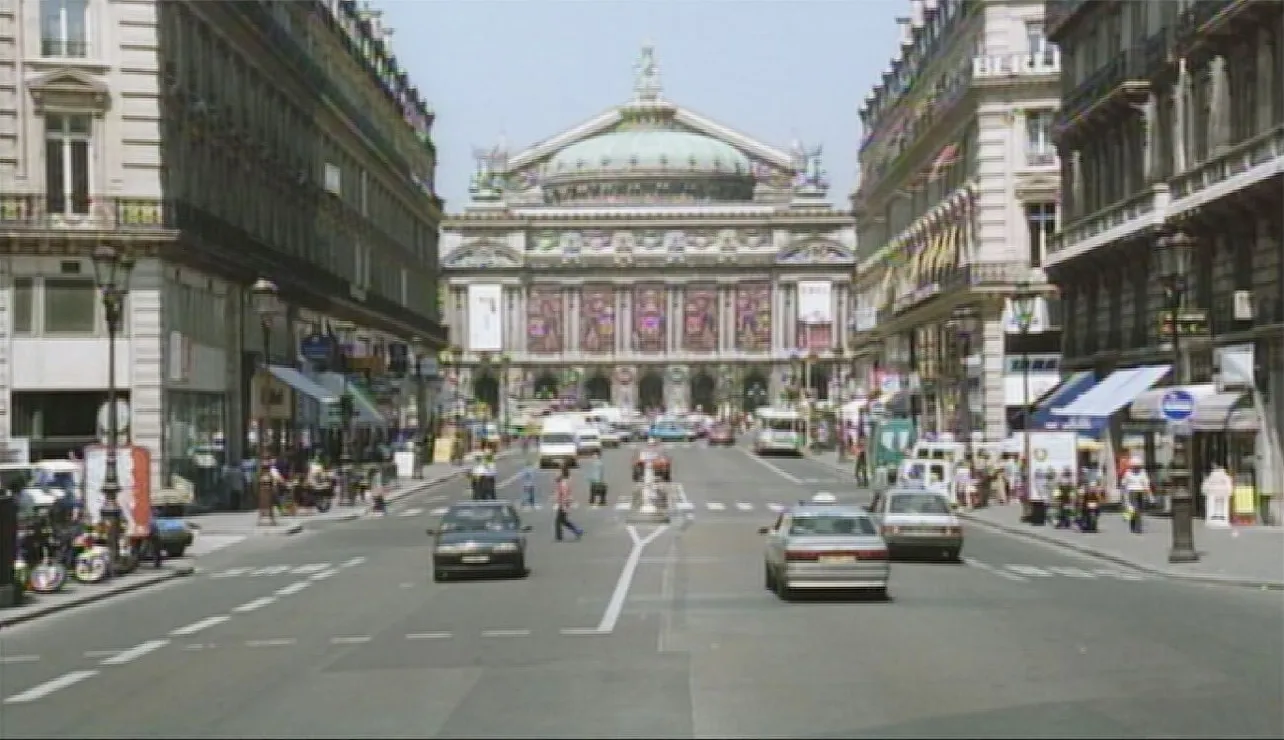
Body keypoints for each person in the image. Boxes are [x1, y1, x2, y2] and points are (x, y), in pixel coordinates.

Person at [1120, 459, 1151, 534]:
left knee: (1139, 510)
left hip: (1140, 492)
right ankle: (1135, 526)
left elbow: (1146, 482)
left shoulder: (1143, 472)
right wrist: (1123, 492)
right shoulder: (1128, 473)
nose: (1136, 468)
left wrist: (1148, 494)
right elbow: (1124, 483)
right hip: (1131, 492)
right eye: (1135, 466)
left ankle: (1137, 527)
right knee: (1134, 510)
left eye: (1138, 466)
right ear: (1132, 466)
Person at [554, 467, 583, 541]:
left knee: (558, 521)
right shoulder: (561, 483)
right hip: (563, 503)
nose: (556, 474)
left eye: (558, 473)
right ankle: (577, 530)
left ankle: (559, 536)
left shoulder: (563, 484)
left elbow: (564, 495)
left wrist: (564, 506)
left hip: (563, 504)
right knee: (563, 521)